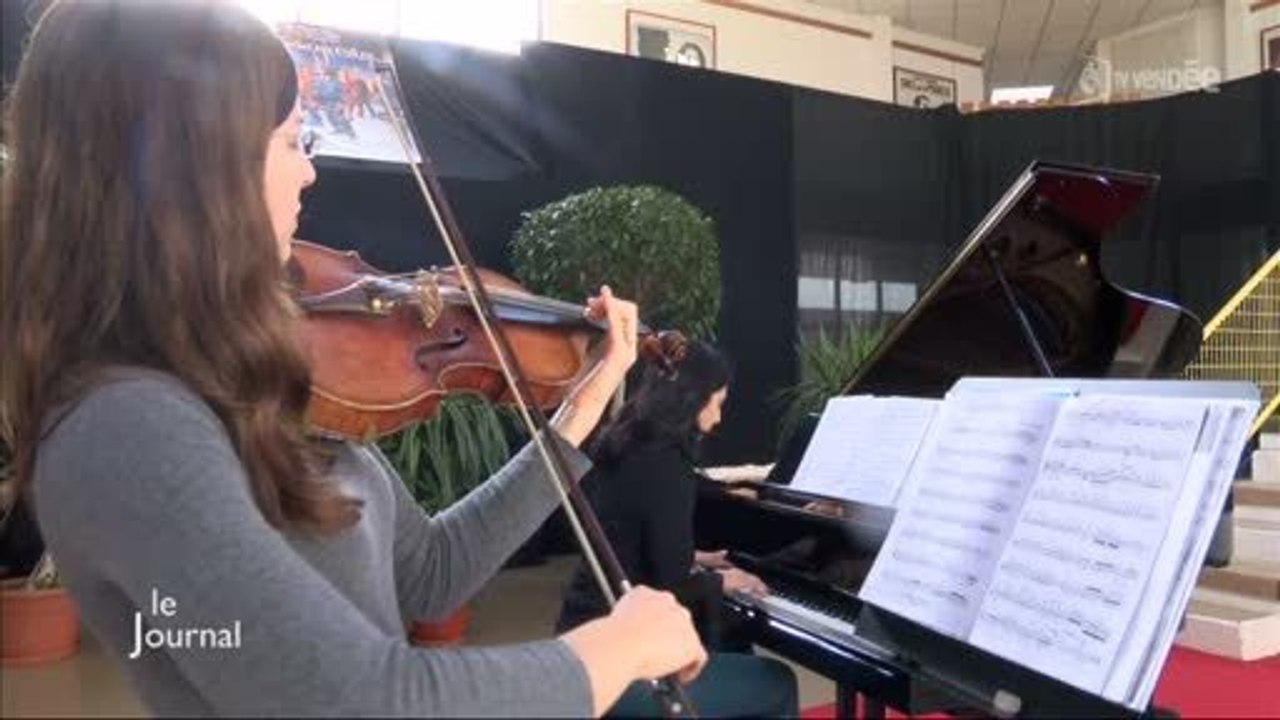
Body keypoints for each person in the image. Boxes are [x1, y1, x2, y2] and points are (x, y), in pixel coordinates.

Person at [0, 1, 706, 716]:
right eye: (288, 142)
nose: (308, 172)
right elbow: (360, 701)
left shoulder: (250, 379)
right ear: (194, 168)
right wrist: (617, 646)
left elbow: (431, 573)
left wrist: (585, 400)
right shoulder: (124, 427)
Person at [557, 340, 799, 717]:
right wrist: (724, 580)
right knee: (777, 682)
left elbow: (631, 541)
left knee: (730, 644)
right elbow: (670, 584)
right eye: (717, 403)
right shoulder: (666, 468)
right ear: (692, 400)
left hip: (580, 639)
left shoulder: (627, 443)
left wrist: (695, 556)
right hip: (619, 668)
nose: (718, 418)